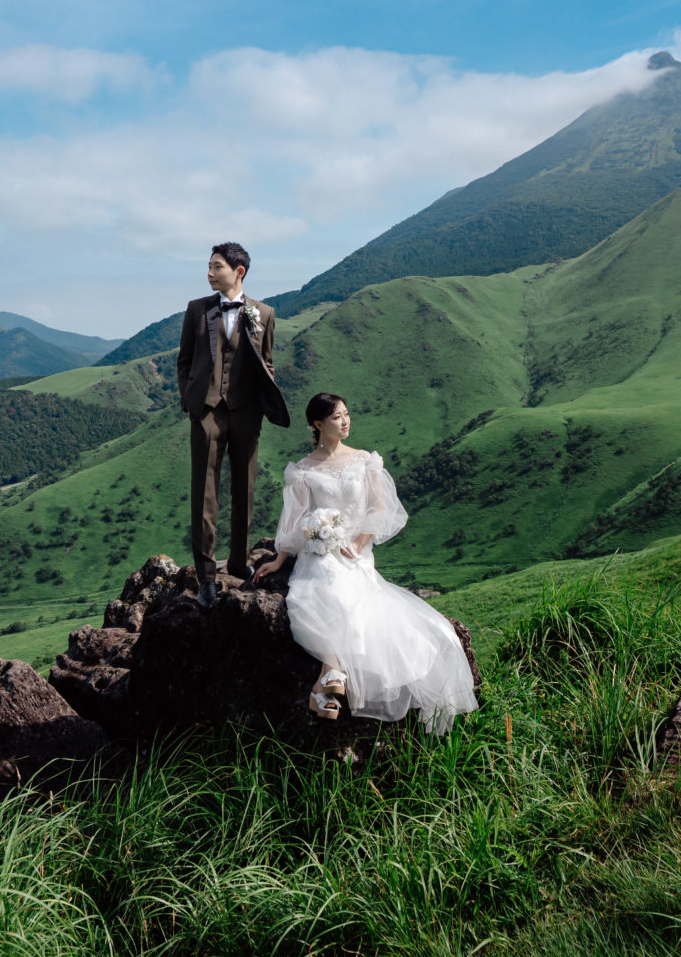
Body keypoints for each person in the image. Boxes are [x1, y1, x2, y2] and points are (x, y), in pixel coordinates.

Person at [253, 393, 479, 733]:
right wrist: (281, 556)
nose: (345, 422)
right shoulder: (302, 471)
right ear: (317, 424)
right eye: (336, 417)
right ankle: (328, 676)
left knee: (354, 593)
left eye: (347, 414)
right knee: (319, 587)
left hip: (356, 552)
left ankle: (326, 681)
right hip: (320, 553)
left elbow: (380, 508)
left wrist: (358, 543)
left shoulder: (364, 461)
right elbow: (296, 518)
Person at [175, 241, 289, 606]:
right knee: (204, 495)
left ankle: (238, 563)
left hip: (246, 411)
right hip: (206, 412)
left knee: (245, 489)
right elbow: (184, 361)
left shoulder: (264, 313)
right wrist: (190, 400)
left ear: (238, 272)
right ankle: (206, 576)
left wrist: (261, 405)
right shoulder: (196, 310)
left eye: (216, 266)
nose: (209, 272)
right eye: (208, 266)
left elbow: (266, 363)